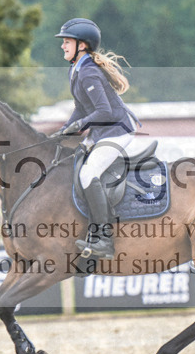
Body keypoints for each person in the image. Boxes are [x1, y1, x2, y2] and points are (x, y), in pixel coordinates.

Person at [51, 18, 138, 259]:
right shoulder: (76, 69)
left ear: (82, 45)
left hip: (118, 131)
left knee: (88, 173)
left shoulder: (88, 72)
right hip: (102, 131)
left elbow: (104, 112)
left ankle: (104, 240)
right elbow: (81, 109)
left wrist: (79, 126)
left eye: (67, 42)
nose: (62, 46)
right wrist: (65, 129)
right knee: (73, 163)